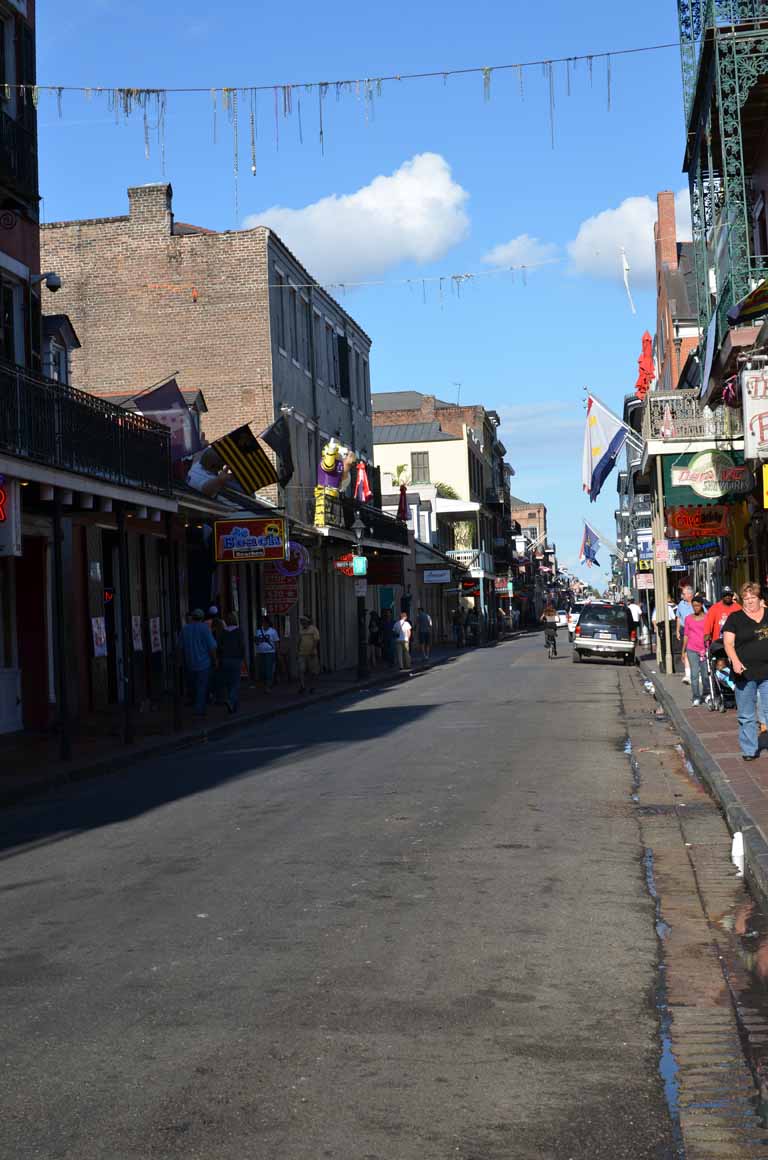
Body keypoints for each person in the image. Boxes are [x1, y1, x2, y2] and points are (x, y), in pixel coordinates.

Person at [722, 581, 768, 760]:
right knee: (747, 714)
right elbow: (728, 643)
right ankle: (749, 750)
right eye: (746, 598)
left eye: (753, 598)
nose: (749, 601)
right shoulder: (735, 618)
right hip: (744, 673)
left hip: (767, 672)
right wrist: (734, 661)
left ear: (760, 599)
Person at [176, 608, 217, 717]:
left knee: (193, 686)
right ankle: (199, 709)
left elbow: (179, 647)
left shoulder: (185, 629)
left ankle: (197, 705)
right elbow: (212, 647)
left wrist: (179, 661)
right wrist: (215, 660)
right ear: (202, 618)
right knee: (201, 687)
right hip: (204, 663)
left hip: (190, 662)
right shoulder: (205, 629)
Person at [682, 593, 708, 706]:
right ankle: (696, 696)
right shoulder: (688, 619)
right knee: (694, 674)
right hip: (692, 649)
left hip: (704, 649)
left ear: (702, 605)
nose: (696, 608)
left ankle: (706, 694)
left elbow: (709, 632)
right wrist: (683, 651)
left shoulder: (707, 617)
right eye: (694, 606)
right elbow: (686, 635)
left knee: (706, 674)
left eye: (697, 605)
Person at [218, 611, 245, 714]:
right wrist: (243, 657)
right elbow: (242, 645)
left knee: (228, 682)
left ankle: (233, 705)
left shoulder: (223, 632)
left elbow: (219, 646)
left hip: (225, 659)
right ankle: (231, 700)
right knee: (236, 682)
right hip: (236, 658)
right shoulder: (239, 631)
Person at [297, 614, 321, 694]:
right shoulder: (301, 630)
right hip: (302, 653)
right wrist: (298, 649)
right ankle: (302, 686)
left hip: (311, 653)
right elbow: (299, 640)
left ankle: (312, 686)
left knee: (312, 671)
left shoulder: (313, 629)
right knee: (301, 670)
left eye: (303, 621)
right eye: (301, 621)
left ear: (308, 621)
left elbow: (316, 640)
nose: (302, 622)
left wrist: (312, 650)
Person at [676, 584, 695, 683]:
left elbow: (705, 616)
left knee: (696, 652)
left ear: (689, 594)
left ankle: (697, 673)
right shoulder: (681, 604)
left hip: (696, 631)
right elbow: (678, 617)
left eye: (683, 594)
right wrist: (677, 630)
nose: (682, 595)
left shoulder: (697, 603)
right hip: (685, 630)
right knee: (686, 652)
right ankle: (688, 675)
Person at [255, 616, 279, 691]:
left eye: (265, 622)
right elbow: (256, 641)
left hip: (270, 652)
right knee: (262, 669)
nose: (264, 624)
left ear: (268, 623)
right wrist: (257, 641)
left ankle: (268, 686)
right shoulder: (258, 631)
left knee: (268, 669)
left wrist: (276, 652)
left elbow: (276, 642)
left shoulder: (273, 631)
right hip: (260, 652)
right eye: (262, 622)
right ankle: (264, 684)